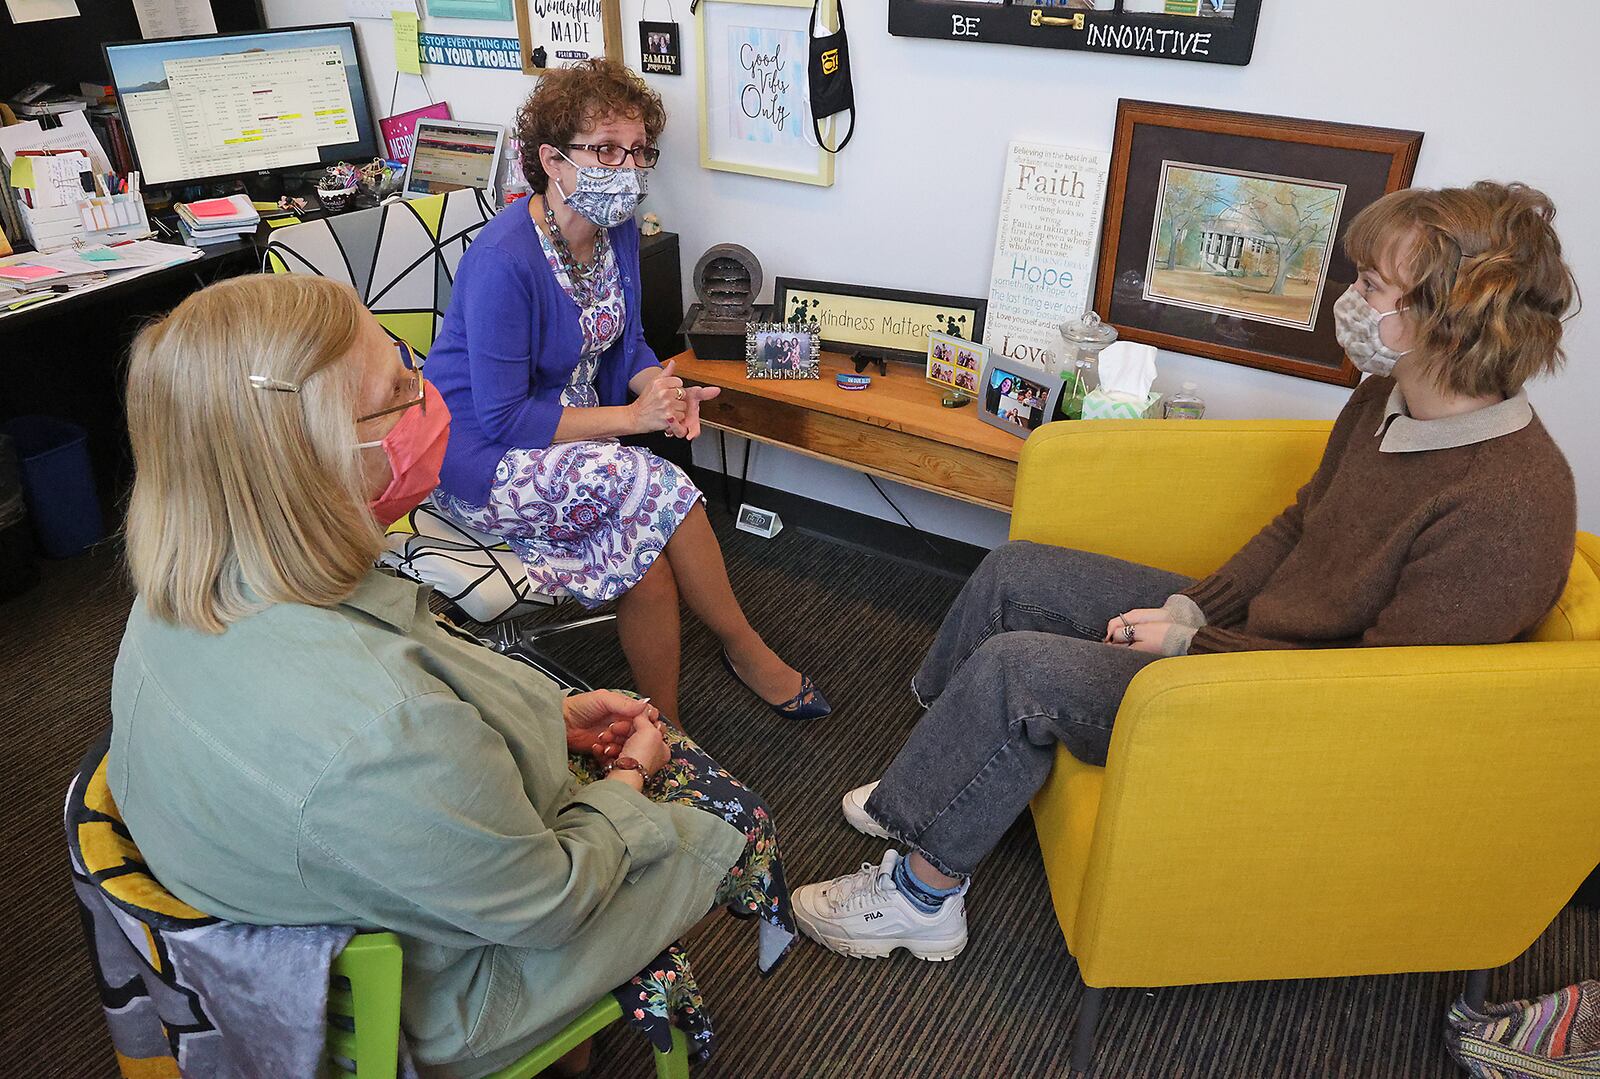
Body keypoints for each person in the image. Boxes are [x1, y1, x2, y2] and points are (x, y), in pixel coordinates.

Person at [792, 181, 1579, 961]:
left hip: (1286, 714)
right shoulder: (1386, 399)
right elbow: (1303, 524)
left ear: (1448, 315)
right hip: (1255, 643)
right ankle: (930, 781)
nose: (1351, 298)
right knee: (1015, 574)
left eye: (1372, 285)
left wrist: (1187, 654)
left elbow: (1366, 700)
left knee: (1017, 673)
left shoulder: (1504, 506)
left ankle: (921, 898)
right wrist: (1196, 612)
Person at [112, 274, 795, 1076]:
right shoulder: (385, 732)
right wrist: (629, 782)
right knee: (711, 822)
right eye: (399, 388)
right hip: (426, 990)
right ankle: (577, 1031)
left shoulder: (183, 589)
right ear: (306, 454)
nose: (429, 395)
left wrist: (551, 713)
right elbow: (551, 901)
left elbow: (408, 716)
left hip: (295, 897)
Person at [426, 60, 828, 725]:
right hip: (481, 456)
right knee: (650, 483)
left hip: (574, 438)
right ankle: (745, 647)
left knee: (644, 549)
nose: (629, 166)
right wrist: (633, 416)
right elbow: (500, 416)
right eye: (607, 149)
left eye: (639, 150)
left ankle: (660, 728)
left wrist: (660, 387)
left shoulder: (614, 232)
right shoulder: (503, 260)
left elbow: (626, 343)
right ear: (552, 160)